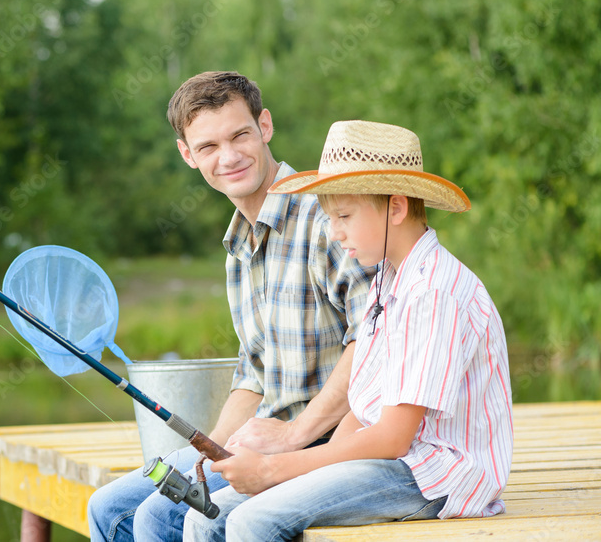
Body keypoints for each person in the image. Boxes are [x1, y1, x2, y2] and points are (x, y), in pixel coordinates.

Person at [184, 120, 514, 541]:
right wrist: (311, 467)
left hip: (435, 473)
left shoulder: (433, 292)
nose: (335, 233)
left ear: (396, 207)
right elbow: (362, 407)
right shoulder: (387, 279)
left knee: (253, 520)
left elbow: (394, 437)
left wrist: (274, 469)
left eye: (343, 216)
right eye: (329, 217)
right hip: (389, 462)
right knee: (207, 516)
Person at [88, 72, 375, 542]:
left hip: (326, 440)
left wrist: (293, 435)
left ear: (264, 126)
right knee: (107, 508)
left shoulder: (327, 218)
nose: (229, 157)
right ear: (187, 154)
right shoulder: (237, 247)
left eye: (240, 134)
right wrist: (212, 454)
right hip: (264, 437)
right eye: (208, 147)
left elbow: (372, 342)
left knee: (157, 518)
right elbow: (253, 373)